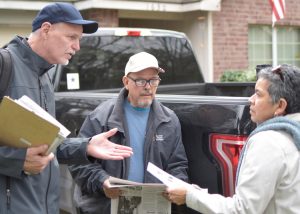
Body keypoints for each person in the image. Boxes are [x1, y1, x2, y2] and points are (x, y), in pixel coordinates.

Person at [0, 3, 133, 214]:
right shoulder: (4, 64)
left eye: (79, 39)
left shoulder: (45, 77)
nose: (77, 47)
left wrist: (85, 147)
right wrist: (16, 160)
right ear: (46, 29)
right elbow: (20, 155)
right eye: (71, 37)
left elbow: (45, 144)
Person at [165, 64, 300, 214]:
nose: (251, 99)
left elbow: (242, 210)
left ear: (280, 105)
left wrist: (190, 195)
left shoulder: (269, 142)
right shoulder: (293, 134)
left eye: (258, 94)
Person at [68, 51, 189, 214]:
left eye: (153, 80)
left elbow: (177, 165)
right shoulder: (101, 117)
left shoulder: (169, 120)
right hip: (107, 207)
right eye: (140, 80)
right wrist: (103, 182)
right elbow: (79, 161)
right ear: (126, 81)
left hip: (152, 208)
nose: (148, 86)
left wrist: (177, 184)